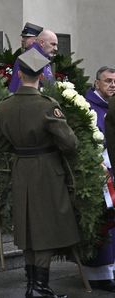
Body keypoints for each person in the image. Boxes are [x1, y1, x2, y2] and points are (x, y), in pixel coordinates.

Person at [0, 48, 80, 298]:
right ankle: (39, 286)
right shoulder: (47, 106)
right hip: (46, 169)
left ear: (19, 74)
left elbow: (0, 143)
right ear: (41, 76)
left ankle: (33, 284)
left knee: (27, 225)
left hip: (21, 167)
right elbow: (70, 143)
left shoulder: (5, 106)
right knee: (44, 227)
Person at [83, 66, 115, 291]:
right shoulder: (86, 107)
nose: (113, 84)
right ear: (97, 84)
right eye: (108, 81)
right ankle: (100, 273)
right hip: (98, 174)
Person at [8, 27, 56, 93]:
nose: (56, 48)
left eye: (26, 37)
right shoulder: (32, 57)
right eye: (53, 44)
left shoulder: (41, 55)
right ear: (41, 42)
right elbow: (21, 85)